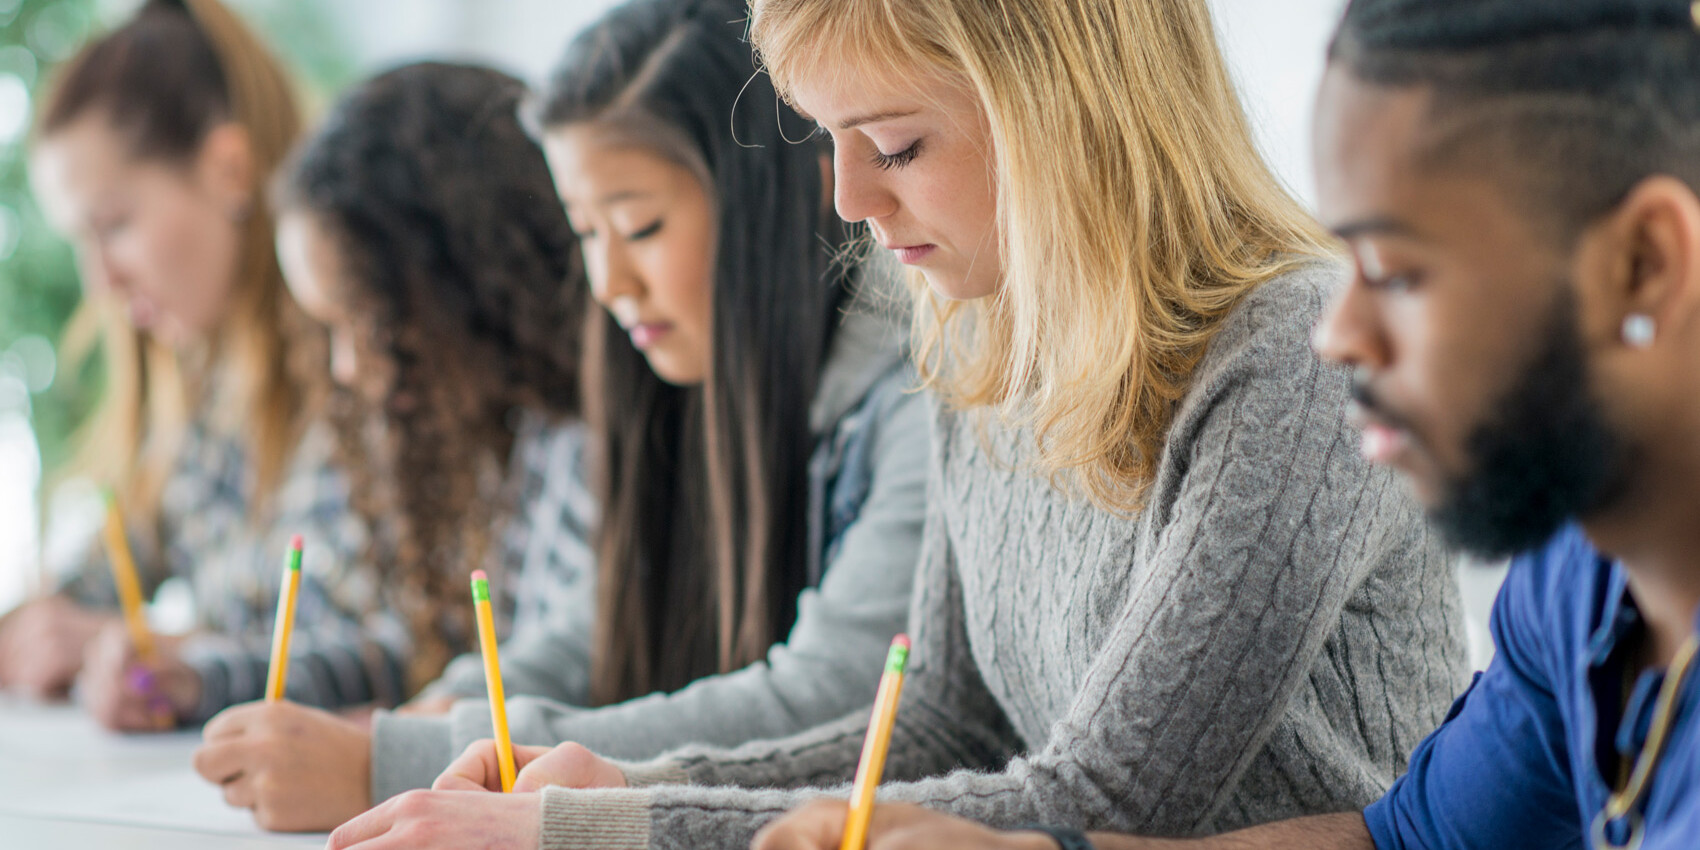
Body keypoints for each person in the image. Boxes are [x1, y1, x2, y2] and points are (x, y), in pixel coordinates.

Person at [324, 0, 1468, 848]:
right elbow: (933, 723)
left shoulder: (1293, 354)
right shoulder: (978, 334)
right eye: (830, 140)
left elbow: (1110, 805)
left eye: (897, 145)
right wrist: (617, 792)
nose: (846, 201)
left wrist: (591, 833)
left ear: (1060, 114)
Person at [749, 1, 1700, 848]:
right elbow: (1411, 834)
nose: (1341, 332)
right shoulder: (1576, 587)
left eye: (1400, 273)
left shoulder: (1279, 360)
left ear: (1646, 264)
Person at [196, 0, 929, 832]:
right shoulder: (672, 377)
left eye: (640, 227)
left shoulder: (908, 395)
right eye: (586, 232)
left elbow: (831, 700)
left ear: (770, 202)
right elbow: (601, 611)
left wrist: (390, 762)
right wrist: (456, 707)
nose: (610, 281)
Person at [182, 60, 588, 831]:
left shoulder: (588, 434)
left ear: (462, 276)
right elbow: (416, 643)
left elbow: (574, 663)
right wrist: (206, 681)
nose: (346, 366)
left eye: (365, 325)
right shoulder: (502, 435)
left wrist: (390, 747)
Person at [0, 0, 387, 730]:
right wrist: (44, 625)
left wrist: (170, 655)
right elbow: (104, 571)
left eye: (113, 224)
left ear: (228, 169)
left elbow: (395, 651)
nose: (100, 284)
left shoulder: (359, 366)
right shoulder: (198, 386)